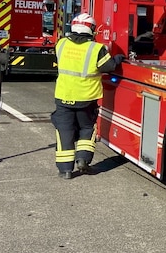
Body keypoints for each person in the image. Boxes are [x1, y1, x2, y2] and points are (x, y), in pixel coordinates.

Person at [51, 13, 124, 179]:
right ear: (91, 29)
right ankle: (83, 159)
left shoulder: (61, 44)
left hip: (63, 97)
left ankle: (65, 170)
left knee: (64, 132)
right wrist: (119, 58)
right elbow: (108, 66)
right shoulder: (96, 48)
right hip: (86, 99)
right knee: (86, 128)